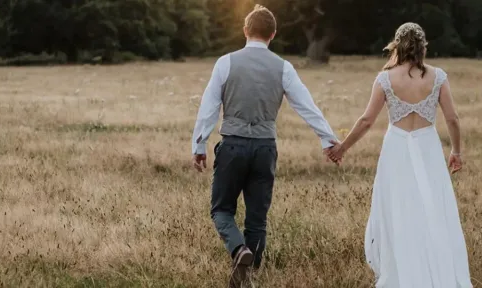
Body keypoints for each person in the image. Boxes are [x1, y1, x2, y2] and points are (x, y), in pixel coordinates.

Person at [191, 4, 340, 287]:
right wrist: (327, 139)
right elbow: (307, 106)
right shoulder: (284, 67)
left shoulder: (226, 62)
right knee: (257, 220)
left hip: (233, 145)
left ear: (245, 31)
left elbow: (208, 107)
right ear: (273, 34)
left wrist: (199, 145)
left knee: (221, 210)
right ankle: (251, 275)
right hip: (265, 149)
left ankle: (239, 250)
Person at [327, 23, 473, 288]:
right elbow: (452, 118)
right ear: (422, 47)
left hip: (396, 148)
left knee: (398, 209)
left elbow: (366, 121)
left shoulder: (385, 78)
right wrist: (456, 151)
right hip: (428, 146)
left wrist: (342, 148)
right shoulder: (438, 76)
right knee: (432, 208)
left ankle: (402, 271)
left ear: (397, 46)